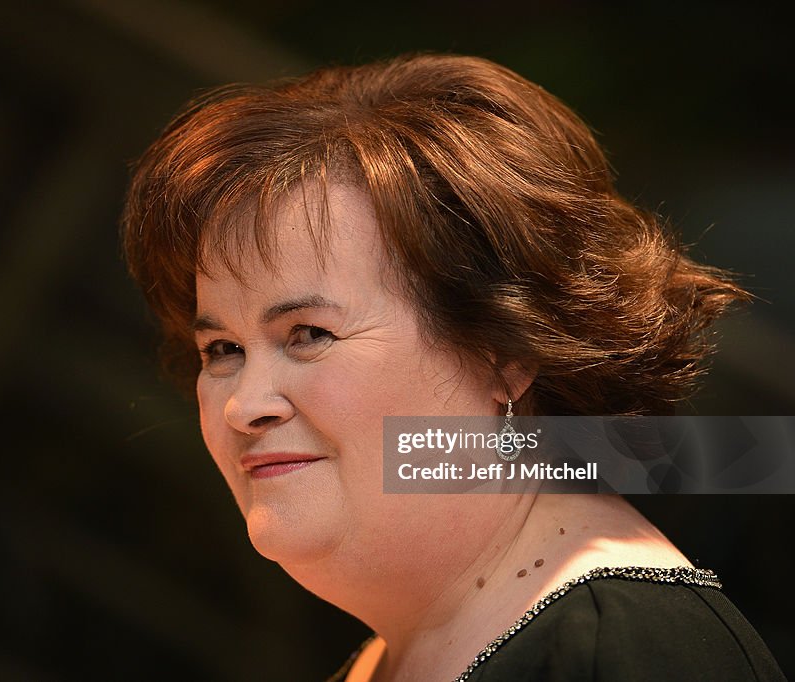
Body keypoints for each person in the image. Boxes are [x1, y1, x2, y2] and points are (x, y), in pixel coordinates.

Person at [121, 54, 785, 681]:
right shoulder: (413, 643)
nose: (244, 404)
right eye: (223, 350)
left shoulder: (623, 654)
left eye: (308, 334)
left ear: (506, 352)